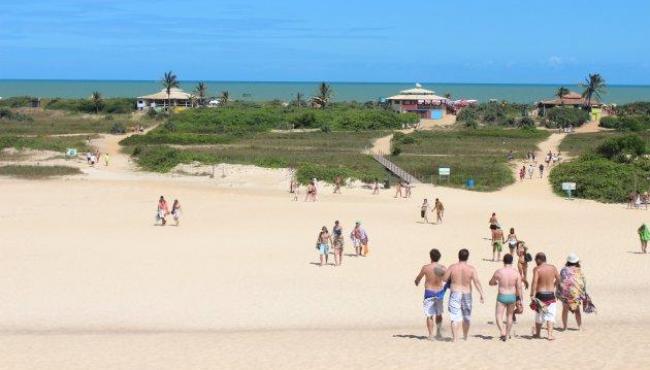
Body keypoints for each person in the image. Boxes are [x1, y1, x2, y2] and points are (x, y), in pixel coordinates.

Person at [442, 249, 485, 342]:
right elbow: (476, 282)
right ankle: (465, 336)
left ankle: (455, 338)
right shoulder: (471, 269)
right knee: (466, 317)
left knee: (454, 317)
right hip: (466, 293)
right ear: (467, 257)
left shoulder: (452, 267)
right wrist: (481, 294)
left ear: (458, 256)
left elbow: (444, 279)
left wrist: (449, 278)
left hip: (455, 293)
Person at [414, 249, 448, 340]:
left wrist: (416, 282)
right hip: (439, 292)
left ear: (430, 257)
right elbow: (446, 279)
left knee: (429, 315)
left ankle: (430, 335)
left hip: (429, 292)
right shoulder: (443, 268)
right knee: (439, 314)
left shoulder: (426, 268)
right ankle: (439, 332)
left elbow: (418, 278)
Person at [489, 254, 522, 341]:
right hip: (512, 296)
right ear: (512, 261)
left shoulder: (499, 272)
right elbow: (519, 287)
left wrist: (495, 283)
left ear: (503, 261)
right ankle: (507, 335)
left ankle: (502, 331)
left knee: (498, 315)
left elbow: (491, 282)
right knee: (510, 316)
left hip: (502, 296)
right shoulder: (516, 273)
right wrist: (520, 299)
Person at [530, 252, 561, 340]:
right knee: (550, 315)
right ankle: (550, 335)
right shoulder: (553, 268)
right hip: (550, 295)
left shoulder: (537, 269)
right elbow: (559, 279)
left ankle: (538, 334)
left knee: (539, 315)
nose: (535, 262)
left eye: (536, 260)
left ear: (539, 259)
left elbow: (534, 282)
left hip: (540, 295)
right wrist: (554, 285)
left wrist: (532, 294)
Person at [557, 253, 587, 331]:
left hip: (565, 293)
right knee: (577, 310)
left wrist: (558, 291)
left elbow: (560, 280)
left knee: (565, 310)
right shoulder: (579, 270)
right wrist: (583, 292)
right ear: (577, 262)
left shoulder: (563, 270)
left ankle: (565, 327)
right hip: (575, 293)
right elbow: (583, 282)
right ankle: (580, 327)